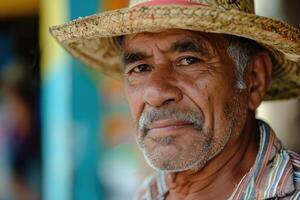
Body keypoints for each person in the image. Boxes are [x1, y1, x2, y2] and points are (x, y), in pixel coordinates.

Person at [50, 0, 300, 199]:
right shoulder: (146, 194)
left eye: (188, 61)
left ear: (254, 78)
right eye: (140, 68)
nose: (156, 93)